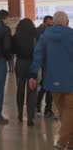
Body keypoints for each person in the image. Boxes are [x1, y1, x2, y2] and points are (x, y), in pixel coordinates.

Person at [29, 11, 73, 150]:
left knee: (63, 112)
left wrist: (33, 75)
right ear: (67, 22)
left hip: (52, 81)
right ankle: (61, 142)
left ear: (53, 22)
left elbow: (38, 55)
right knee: (69, 111)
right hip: (70, 81)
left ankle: (71, 142)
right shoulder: (71, 34)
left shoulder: (45, 35)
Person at [11, 18, 37, 126]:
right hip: (32, 64)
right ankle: (30, 118)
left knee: (20, 88)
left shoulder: (15, 37)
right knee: (32, 90)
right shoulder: (35, 36)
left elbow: (12, 51)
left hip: (20, 63)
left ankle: (20, 114)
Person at [36, 15, 57, 118]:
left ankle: (47, 109)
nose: (50, 27)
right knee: (44, 86)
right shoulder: (38, 32)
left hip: (51, 63)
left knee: (48, 86)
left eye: (52, 25)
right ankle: (38, 106)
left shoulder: (52, 32)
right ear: (44, 23)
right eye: (49, 25)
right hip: (42, 64)